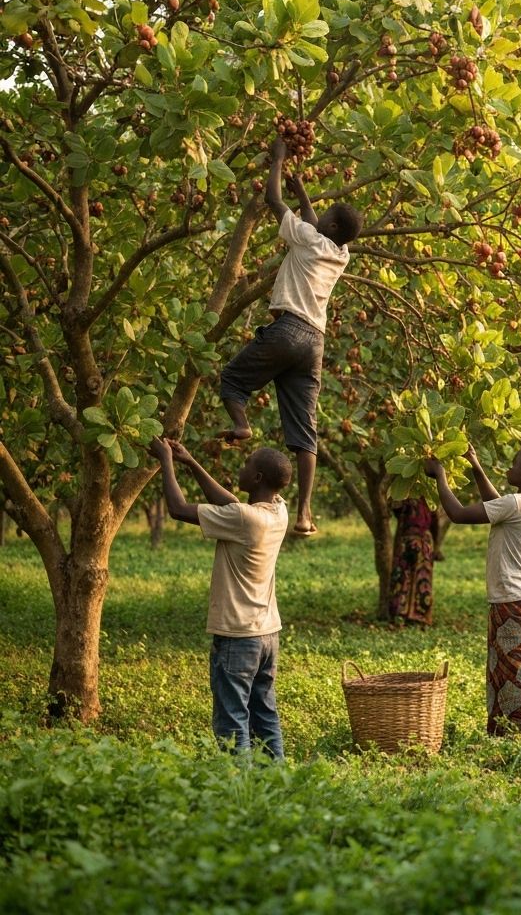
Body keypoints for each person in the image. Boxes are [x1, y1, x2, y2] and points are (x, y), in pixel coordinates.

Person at [219, 137, 363, 537]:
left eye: (325, 216)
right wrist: (306, 195)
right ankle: (304, 513)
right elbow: (317, 226)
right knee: (304, 433)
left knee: (231, 380)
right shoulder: (341, 253)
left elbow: (272, 200)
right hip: (315, 342)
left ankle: (242, 424)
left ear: (330, 226)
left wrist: (279, 161)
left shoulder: (306, 237)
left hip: (289, 329)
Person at [149, 437, 292, 759]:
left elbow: (177, 509)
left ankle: (235, 791)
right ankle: (277, 782)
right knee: (265, 714)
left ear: (256, 479)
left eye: (247, 465)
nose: (241, 468)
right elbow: (233, 505)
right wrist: (190, 461)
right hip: (267, 634)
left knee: (233, 720)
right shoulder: (278, 509)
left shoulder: (245, 519)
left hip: (238, 637)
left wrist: (165, 460)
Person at [425, 443, 521, 737]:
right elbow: (498, 505)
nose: (508, 467)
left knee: (514, 674)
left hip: (514, 601)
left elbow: (458, 514)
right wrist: (475, 465)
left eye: (514, 463)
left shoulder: (515, 504)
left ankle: (515, 736)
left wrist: (440, 475)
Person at [388, 497, 438, 626]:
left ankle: (413, 615)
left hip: (418, 542)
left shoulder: (428, 498)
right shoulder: (405, 496)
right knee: (406, 576)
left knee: (418, 577)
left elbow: (434, 521)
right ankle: (407, 614)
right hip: (414, 541)